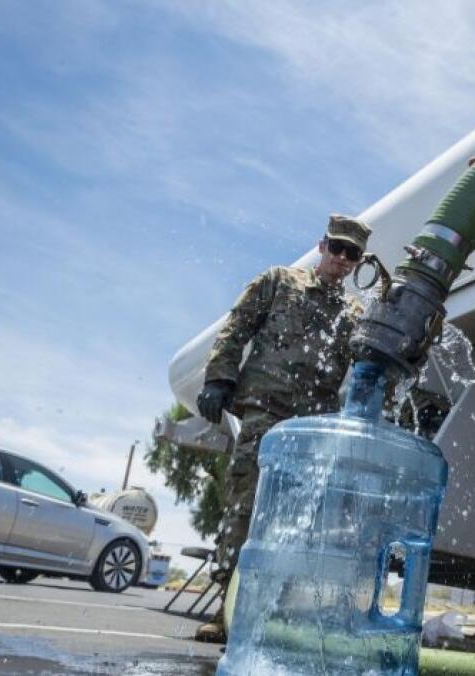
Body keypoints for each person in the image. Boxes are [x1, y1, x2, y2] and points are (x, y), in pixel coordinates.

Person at [192, 214, 371, 643]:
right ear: (322, 246)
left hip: (312, 431)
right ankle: (225, 611)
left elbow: (368, 362)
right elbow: (236, 327)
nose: (342, 259)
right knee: (245, 509)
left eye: (353, 254)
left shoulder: (354, 312)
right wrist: (218, 378)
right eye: (337, 248)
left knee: (295, 522)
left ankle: (269, 613)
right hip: (264, 417)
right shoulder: (278, 281)